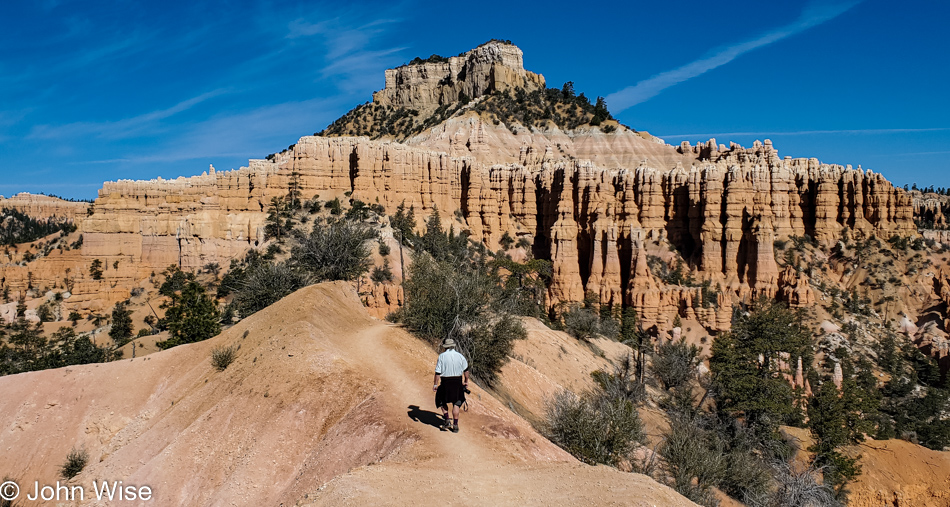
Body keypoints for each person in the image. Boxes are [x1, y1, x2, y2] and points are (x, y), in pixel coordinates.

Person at [433, 338, 469, 433]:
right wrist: (466, 381)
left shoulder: (442, 356)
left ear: (445, 346)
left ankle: (447, 419)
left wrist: (435, 384)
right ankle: (455, 425)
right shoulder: (460, 356)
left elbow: (438, 372)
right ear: (453, 346)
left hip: (445, 382)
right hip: (457, 382)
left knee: (441, 400)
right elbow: (466, 371)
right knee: (456, 403)